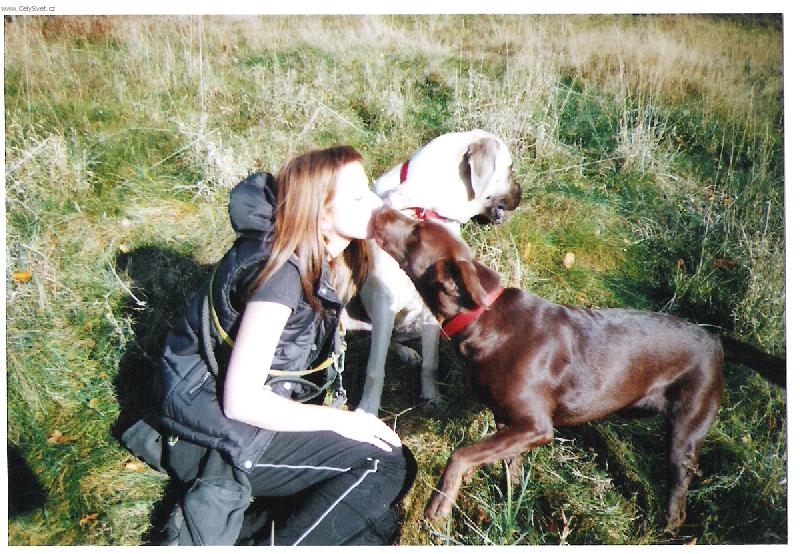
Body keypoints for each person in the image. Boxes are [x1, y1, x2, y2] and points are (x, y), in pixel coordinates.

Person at [123, 146, 416, 546]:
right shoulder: (281, 275)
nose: (375, 203)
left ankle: (253, 532)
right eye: (357, 197)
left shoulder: (317, 256)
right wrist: (345, 421)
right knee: (382, 465)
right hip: (207, 425)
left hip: (238, 413)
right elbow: (241, 401)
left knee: (378, 512)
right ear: (320, 214)